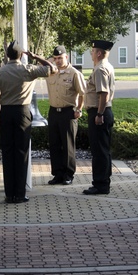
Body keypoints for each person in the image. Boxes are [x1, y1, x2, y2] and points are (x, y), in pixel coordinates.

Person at [0, 42, 56, 203]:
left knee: (8, 153)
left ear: (7, 55)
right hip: (22, 113)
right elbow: (52, 69)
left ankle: (9, 193)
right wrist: (36, 57)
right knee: (22, 153)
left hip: (6, 113)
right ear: (21, 55)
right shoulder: (28, 69)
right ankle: (20, 193)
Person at [44, 45, 86, 185]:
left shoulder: (74, 73)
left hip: (68, 112)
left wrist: (79, 109)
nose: (57, 61)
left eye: (60, 58)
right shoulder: (51, 72)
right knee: (54, 144)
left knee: (68, 145)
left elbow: (82, 93)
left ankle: (68, 174)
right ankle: (57, 173)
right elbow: (41, 63)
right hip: (53, 111)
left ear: (66, 57)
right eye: (55, 58)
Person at [83, 40, 116, 195]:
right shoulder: (106, 66)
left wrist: (99, 114)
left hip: (99, 113)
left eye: (93, 51)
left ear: (99, 53)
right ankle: (103, 182)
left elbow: (103, 94)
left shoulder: (100, 69)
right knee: (103, 150)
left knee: (99, 151)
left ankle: (100, 184)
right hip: (103, 112)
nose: (91, 54)